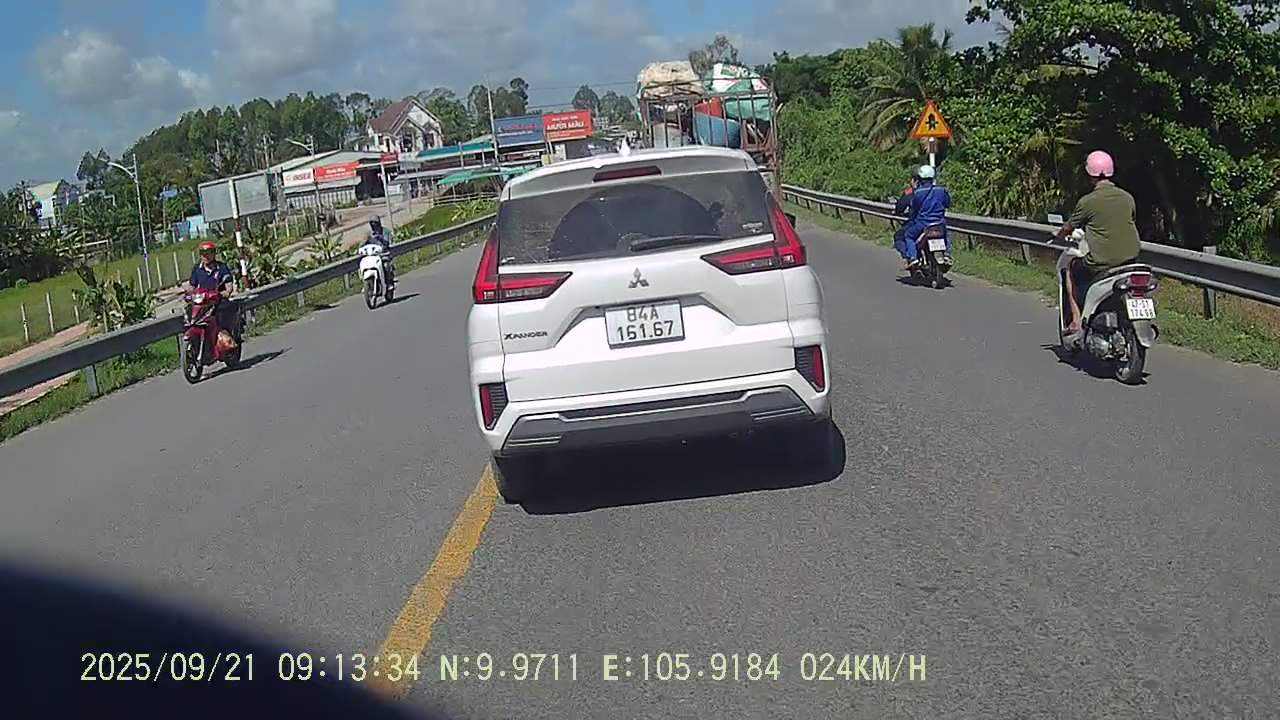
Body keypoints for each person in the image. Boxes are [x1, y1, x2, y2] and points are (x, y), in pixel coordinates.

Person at [1054, 150, 1141, 335]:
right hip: (1130, 260)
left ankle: (1076, 320)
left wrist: (1060, 235)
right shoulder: (1127, 198)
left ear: (1090, 174)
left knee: (1070, 269)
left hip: (1101, 262)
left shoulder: (1088, 202)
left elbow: (1069, 226)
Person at [898, 164, 952, 269]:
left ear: (920, 178)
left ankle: (913, 258)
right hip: (939, 222)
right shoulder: (941, 190)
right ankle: (947, 255)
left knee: (908, 236)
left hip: (922, 223)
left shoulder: (918, 192)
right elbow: (947, 203)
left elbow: (914, 209)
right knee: (947, 234)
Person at [187, 240, 240, 339]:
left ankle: (226, 335)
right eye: (202, 253)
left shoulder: (221, 267)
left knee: (223, 311)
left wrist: (225, 292)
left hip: (218, 301)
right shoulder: (197, 269)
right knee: (190, 311)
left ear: (214, 254)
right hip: (203, 302)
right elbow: (192, 286)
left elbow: (229, 286)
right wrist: (189, 294)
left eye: (208, 253)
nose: (205, 256)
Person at [367, 216, 395, 288]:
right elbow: (363, 243)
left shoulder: (385, 231)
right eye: (372, 223)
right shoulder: (369, 233)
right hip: (373, 256)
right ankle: (368, 284)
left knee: (385, 266)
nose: (374, 225)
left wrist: (380, 238)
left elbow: (388, 241)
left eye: (375, 223)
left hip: (384, 254)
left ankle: (389, 283)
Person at [892, 178, 915, 252]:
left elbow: (901, 206)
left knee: (899, 236)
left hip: (918, 222)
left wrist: (897, 212)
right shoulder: (938, 190)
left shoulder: (912, 193)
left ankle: (909, 255)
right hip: (938, 222)